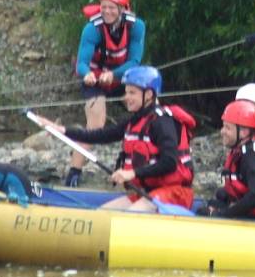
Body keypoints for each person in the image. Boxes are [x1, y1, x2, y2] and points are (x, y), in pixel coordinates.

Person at [33, 66, 194, 212]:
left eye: (132, 93)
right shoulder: (135, 121)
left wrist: (132, 173)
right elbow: (100, 135)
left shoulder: (162, 122)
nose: (126, 97)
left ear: (149, 94)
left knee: (130, 216)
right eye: (126, 92)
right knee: (101, 215)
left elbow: (170, 162)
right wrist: (61, 130)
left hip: (174, 193)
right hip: (148, 192)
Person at [67, 0, 146, 187]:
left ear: (123, 8)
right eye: (104, 7)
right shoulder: (92, 28)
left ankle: (144, 166)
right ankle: (74, 172)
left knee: (149, 112)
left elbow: (135, 61)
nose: (107, 11)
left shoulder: (137, 26)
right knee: (95, 123)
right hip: (95, 78)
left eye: (112, 7)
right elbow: (82, 63)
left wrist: (114, 74)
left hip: (123, 75)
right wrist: (87, 75)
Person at [201, 99, 255, 219]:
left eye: (227, 128)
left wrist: (222, 215)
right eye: (223, 127)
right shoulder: (242, 151)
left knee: (205, 214)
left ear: (243, 132)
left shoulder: (251, 158)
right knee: (207, 207)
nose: (222, 132)